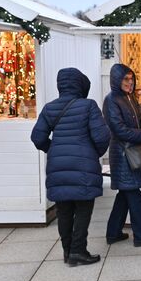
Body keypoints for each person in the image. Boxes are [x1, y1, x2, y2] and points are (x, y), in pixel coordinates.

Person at [31, 68, 110, 267]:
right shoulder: (88, 106)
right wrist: (93, 154)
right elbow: (102, 137)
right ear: (80, 84)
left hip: (58, 167)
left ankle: (68, 252)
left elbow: (37, 137)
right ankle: (78, 251)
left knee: (64, 210)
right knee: (83, 209)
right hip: (83, 165)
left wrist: (55, 150)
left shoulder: (50, 108)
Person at [104, 64, 141, 248]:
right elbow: (119, 130)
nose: (130, 82)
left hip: (131, 152)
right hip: (122, 154)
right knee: (133, 193)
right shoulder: (111, 100)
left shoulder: (130, 97)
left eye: (131, 79)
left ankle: (113, 233)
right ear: (116, 80)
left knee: (125, 194)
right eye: (125, 79)